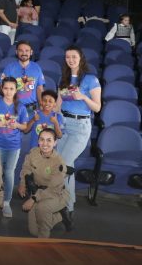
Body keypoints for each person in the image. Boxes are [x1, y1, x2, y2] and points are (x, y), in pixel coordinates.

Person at [56, 46, 101, 215]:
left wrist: (83, 97)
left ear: (80, 58)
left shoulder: (91, 79)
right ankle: (69, 203)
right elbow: (58, 103)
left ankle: (66, 205)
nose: (71, 60)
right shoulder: (64, 78)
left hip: (80, 126)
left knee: (64, 164)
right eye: (67, 57)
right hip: (64, 123)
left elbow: (97, 107)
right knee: (67, 164)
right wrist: (55, 120)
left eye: (74, 56)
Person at [18, 128, 71, 238]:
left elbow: (53, 188)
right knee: (33, 231)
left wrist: (33, 199)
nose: (45, 144)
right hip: (38, 192)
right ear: (38, 141)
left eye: (49, 140)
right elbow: (26, 169)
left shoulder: (58, 162)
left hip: (56, 194)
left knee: (42, 208)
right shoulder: (34, 152)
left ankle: (43, 242)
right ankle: (59, 217)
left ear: (55, 143)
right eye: (42, 140)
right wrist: (22, 184)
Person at [0, 78, 28, 218]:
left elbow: (25, 126)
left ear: (16, 90)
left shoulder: (21, 107)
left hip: (13, 145)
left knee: (9, 173)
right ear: (2, 88)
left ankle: (6, 202)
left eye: (11, 89)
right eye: (6, 88)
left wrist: (16, 125)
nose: (8, 91)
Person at [1, 40, 45, 114]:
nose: (24, 53)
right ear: (16, 52)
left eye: (27, 50)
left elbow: (39, 88)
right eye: (21, 50)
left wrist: (41, 105)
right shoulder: (9, 67)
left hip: (32, 109)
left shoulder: (37, 68)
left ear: (31, 52)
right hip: (14, 107)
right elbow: (1, 87)